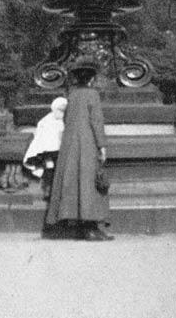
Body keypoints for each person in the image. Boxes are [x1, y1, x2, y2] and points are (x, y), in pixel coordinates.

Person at [43, 58, 111, 241]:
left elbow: (66, 119)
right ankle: (91, 227)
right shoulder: (93, 95)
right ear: (91, 79)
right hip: (87, 142)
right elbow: (96, 121)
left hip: (70, 143)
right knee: (89, 183)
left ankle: (78, 225)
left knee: (73, 183)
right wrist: (102, 145)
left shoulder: (71, 94)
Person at [22, 97, 67, 201]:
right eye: (59, 110)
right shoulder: (47, 120)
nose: (61, 113)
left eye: (63, 111)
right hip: (48, 151)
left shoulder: (66, 120)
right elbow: (40, 136)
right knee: (50, 168)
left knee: (59, 169)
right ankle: (48, 189)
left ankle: (57, 190)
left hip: (60, 151)